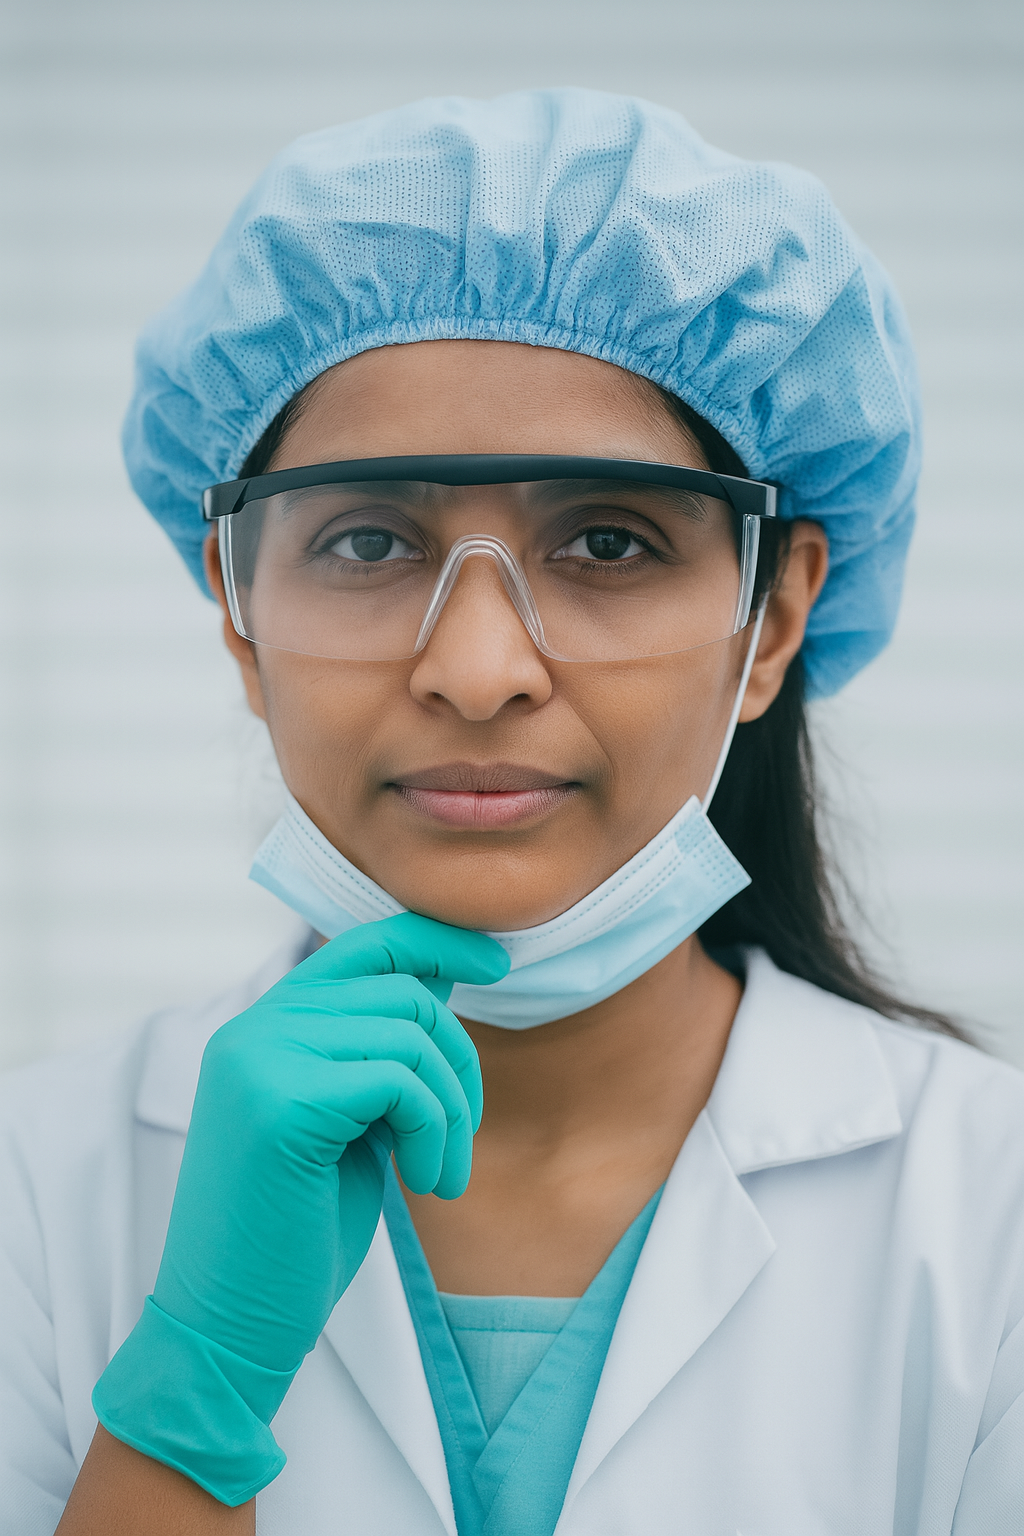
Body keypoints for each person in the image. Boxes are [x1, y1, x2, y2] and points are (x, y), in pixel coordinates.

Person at [2, 90, 1021, 1536]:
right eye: (365, 540)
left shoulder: (992, 1215)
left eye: (608, 541)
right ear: (239, 617)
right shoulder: (36, 1189)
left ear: (772, 617)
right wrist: (199, 1384)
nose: (477, 672)